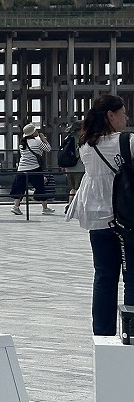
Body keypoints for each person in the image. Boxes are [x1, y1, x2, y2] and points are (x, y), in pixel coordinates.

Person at [64, 93, 131, 336]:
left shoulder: (86, 143)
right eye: (123, 113)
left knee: (104, 276)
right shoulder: (126, 141)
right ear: (111, 115)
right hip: (125, 217)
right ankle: (131, 330)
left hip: (97, 216)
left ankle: (102, 333)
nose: (126, 118)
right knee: (132, 277)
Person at [10, 122, 55, 215]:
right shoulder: (37, 142)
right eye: (35, 130)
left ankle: (16, 207)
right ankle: (45, 208)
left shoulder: (22, 144)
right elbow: (48, 148)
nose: (37, 131)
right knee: (40, 187)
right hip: (34, 168)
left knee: (20, 188)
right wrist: (43, 139)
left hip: (21, 168)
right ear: (32, 133)